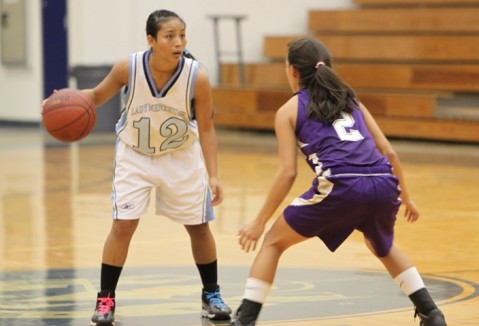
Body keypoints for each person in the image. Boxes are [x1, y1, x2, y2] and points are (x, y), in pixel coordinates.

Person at [231, 38, 447, 326]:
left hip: (342, 185)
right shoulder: (352, 101)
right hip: (383, 182)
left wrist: (259, 221)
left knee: (272, 243)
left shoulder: (288, 110)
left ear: (292, 71)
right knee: (382, 245)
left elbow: (288, 173)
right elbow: (388, 151)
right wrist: (406, 196)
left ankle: (245, 319)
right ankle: (432, 313)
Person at [45, 9, 231, 326]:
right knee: (123, 225)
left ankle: (211, 295)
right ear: (151, 40)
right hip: (136, 155)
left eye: (182, 35)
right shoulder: (128, 67)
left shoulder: (196, 75)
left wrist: (213, 174)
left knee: (199, 227)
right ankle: (106, 300)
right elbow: (94, 96)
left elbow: (208, 127)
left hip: (180, 156)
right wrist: (59, 102)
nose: (178, 42)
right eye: (169, 36)